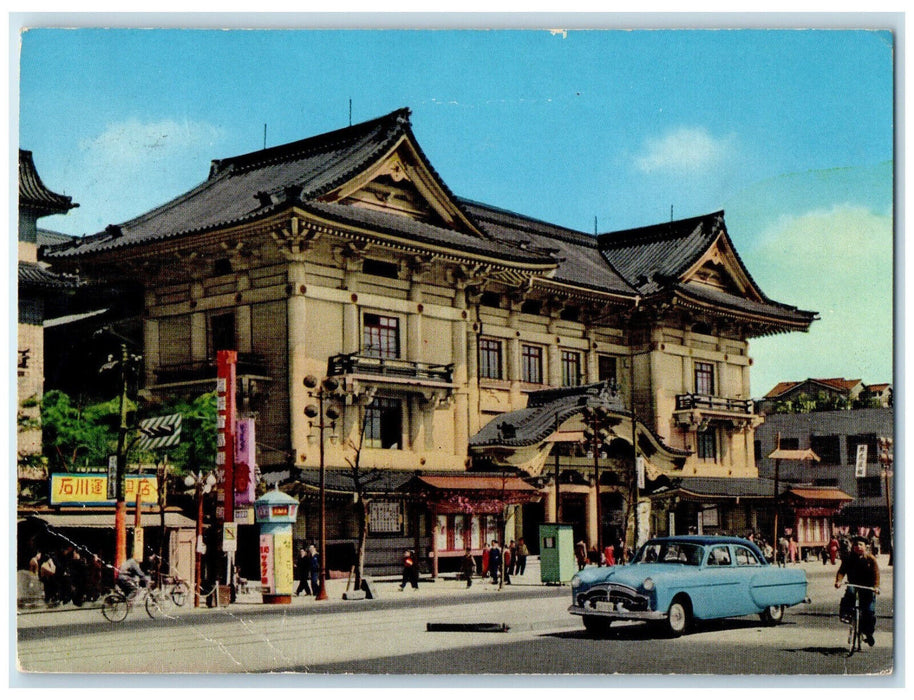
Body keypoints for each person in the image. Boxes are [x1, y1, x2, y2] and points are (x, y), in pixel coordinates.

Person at [835, 536, 880, 646]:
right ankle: (846, 614)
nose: (858, 547)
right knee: (850, 592)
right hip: (854, 584)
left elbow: (876, 574)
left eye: (860, 545)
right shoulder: (849, 558)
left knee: (869, 612)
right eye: (856, 545)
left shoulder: (870, 559)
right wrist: (839, 581)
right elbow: (841, 571)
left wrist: (876, 587)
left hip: (868, 587)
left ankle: (868, 633)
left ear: (865, 547)